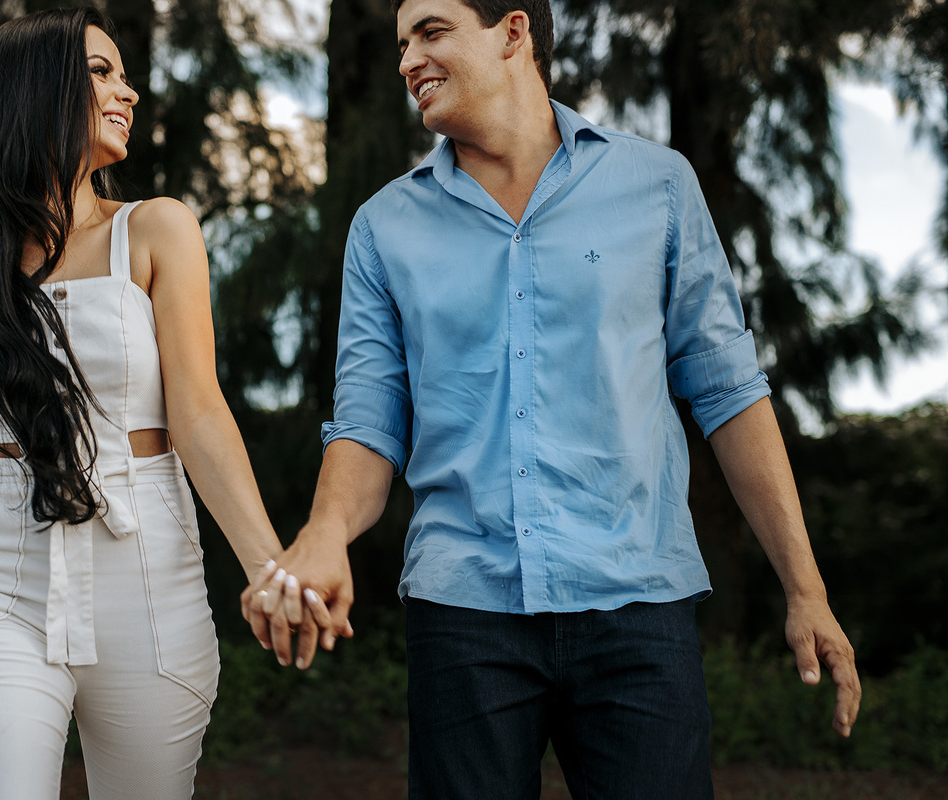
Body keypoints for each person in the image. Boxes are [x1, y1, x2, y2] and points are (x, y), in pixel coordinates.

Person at [244, 0, 862, 797]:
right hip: (463, 613)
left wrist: (806, 590)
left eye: (432, 32)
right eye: (401, 43)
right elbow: (369, 420)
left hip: (639, 604)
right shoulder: (383, 227)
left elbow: (729, 394)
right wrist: (324, 534)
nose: (407, 61)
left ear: (513, 31)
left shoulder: (657, 186)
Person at [0, 8, 296, 798]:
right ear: (35, 90)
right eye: (101, 73)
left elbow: (200, 414)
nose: (127, 92)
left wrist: (269, 571)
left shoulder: (157, 230)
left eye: (125, 74)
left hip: (150, 580)